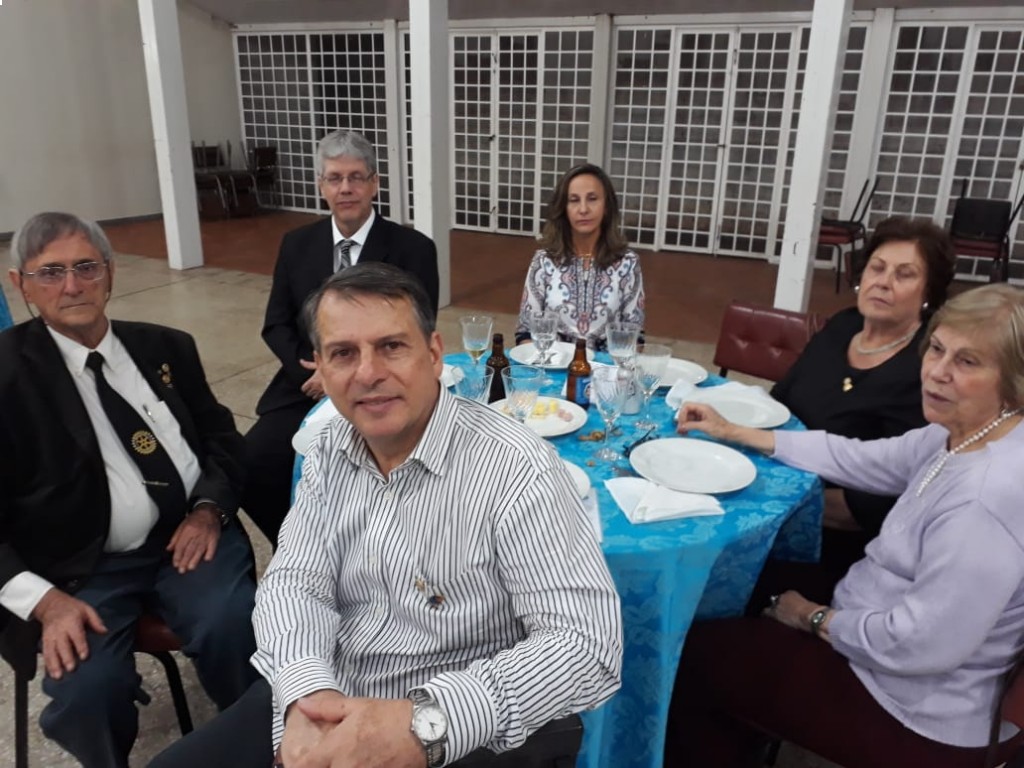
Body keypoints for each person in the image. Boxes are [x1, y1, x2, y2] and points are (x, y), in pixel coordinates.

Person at [148, 262, 622, 768]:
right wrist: (308, 696)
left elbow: (586, 644)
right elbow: (295, 583)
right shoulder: (329, 449)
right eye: (343, 353)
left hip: (460, 730)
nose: (368, 373)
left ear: (434, 354)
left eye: (392, 346)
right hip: (332, 690)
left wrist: (425, 723)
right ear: (320, 369)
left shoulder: (516, 466)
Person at [665, 283, 1024, 767]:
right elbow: (859, 457)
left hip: (911, 709)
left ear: (1015, 381)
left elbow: (919, 646)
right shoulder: (968, 433)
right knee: (749, 582)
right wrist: (735, 431)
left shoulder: (986, 498)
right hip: (878, 631)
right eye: (937, 348)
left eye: (968, 362)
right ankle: (747, 730)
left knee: (691, 657)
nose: (937, 372)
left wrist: (812, 618)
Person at [0, 213, 259, 768]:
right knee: (86, 692)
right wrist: (45, 602)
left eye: (86, 267)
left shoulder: (166, 348)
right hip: (79, 570)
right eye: (51, 273)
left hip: (189, 540)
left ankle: (263, 744)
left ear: (110, 273)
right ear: (20, 285)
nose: (73, 285)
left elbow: (222, 440)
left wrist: (208, 510)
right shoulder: (6, 378)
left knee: (234, 624)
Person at [244, 129, 440, 548]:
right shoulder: (297, 244)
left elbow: (416, 333)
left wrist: (345, 370)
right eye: (334, 178)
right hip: (307, 381)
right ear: (322, 185)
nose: (345, 188)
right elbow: (276, 324)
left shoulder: (414, 249)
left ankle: (368, 548)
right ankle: (301, 545)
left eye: (355, 177)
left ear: (374, 183)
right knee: (250, 462)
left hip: (381, 382)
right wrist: (318, 370)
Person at [767, 216, 956, 584]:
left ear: (928, 293)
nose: (883, 282)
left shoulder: (928, 368)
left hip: (833, 544)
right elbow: (779, 403)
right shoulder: (844, 325)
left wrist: (777, 500)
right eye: (877, 268)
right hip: (779, 489)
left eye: (904, 275)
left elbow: (878, 504)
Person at [515, 163, 645, 351]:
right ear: (563, 208)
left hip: (607, 367)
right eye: (574, 200)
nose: (583, 209)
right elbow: (525, 332)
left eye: (592, 199)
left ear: (606, 206)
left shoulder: (627, 263)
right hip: (552, 364)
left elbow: (635, 338)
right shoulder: (544, 260)